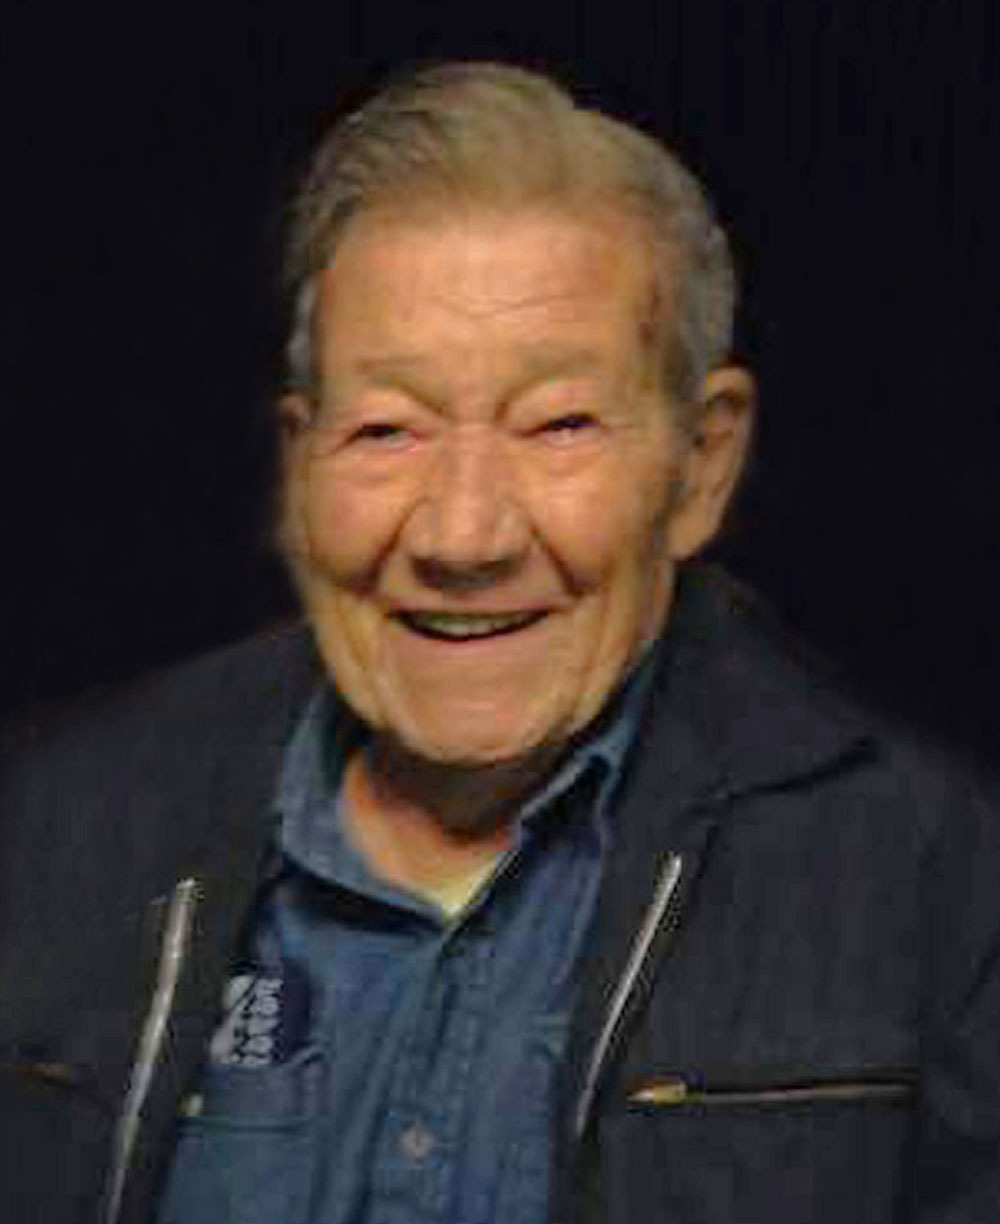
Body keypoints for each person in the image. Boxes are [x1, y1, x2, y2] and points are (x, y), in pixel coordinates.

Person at [2, 61, 999, 1224]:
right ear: (300, 462)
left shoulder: (929, 884)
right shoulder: (50, 829)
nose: (462, 535)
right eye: (386, 430)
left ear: (699, 466)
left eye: (557, 425)